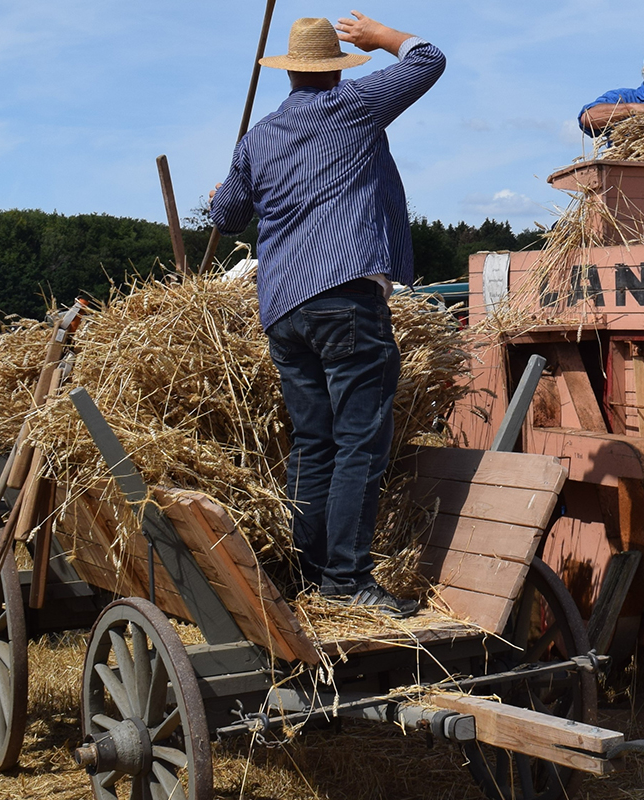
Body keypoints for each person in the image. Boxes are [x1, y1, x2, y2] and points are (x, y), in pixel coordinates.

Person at [210, 12, 445, 618]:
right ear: (336, 67)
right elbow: (429, 60)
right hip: (344, 297)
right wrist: (384, 38)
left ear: (288, 71)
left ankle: (309, 575)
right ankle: (346, 579)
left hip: (284, 309)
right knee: (358, 444)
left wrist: (218, 194)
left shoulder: (258, 137)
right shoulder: (357, 104)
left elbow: (226, 216)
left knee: (313, 444)